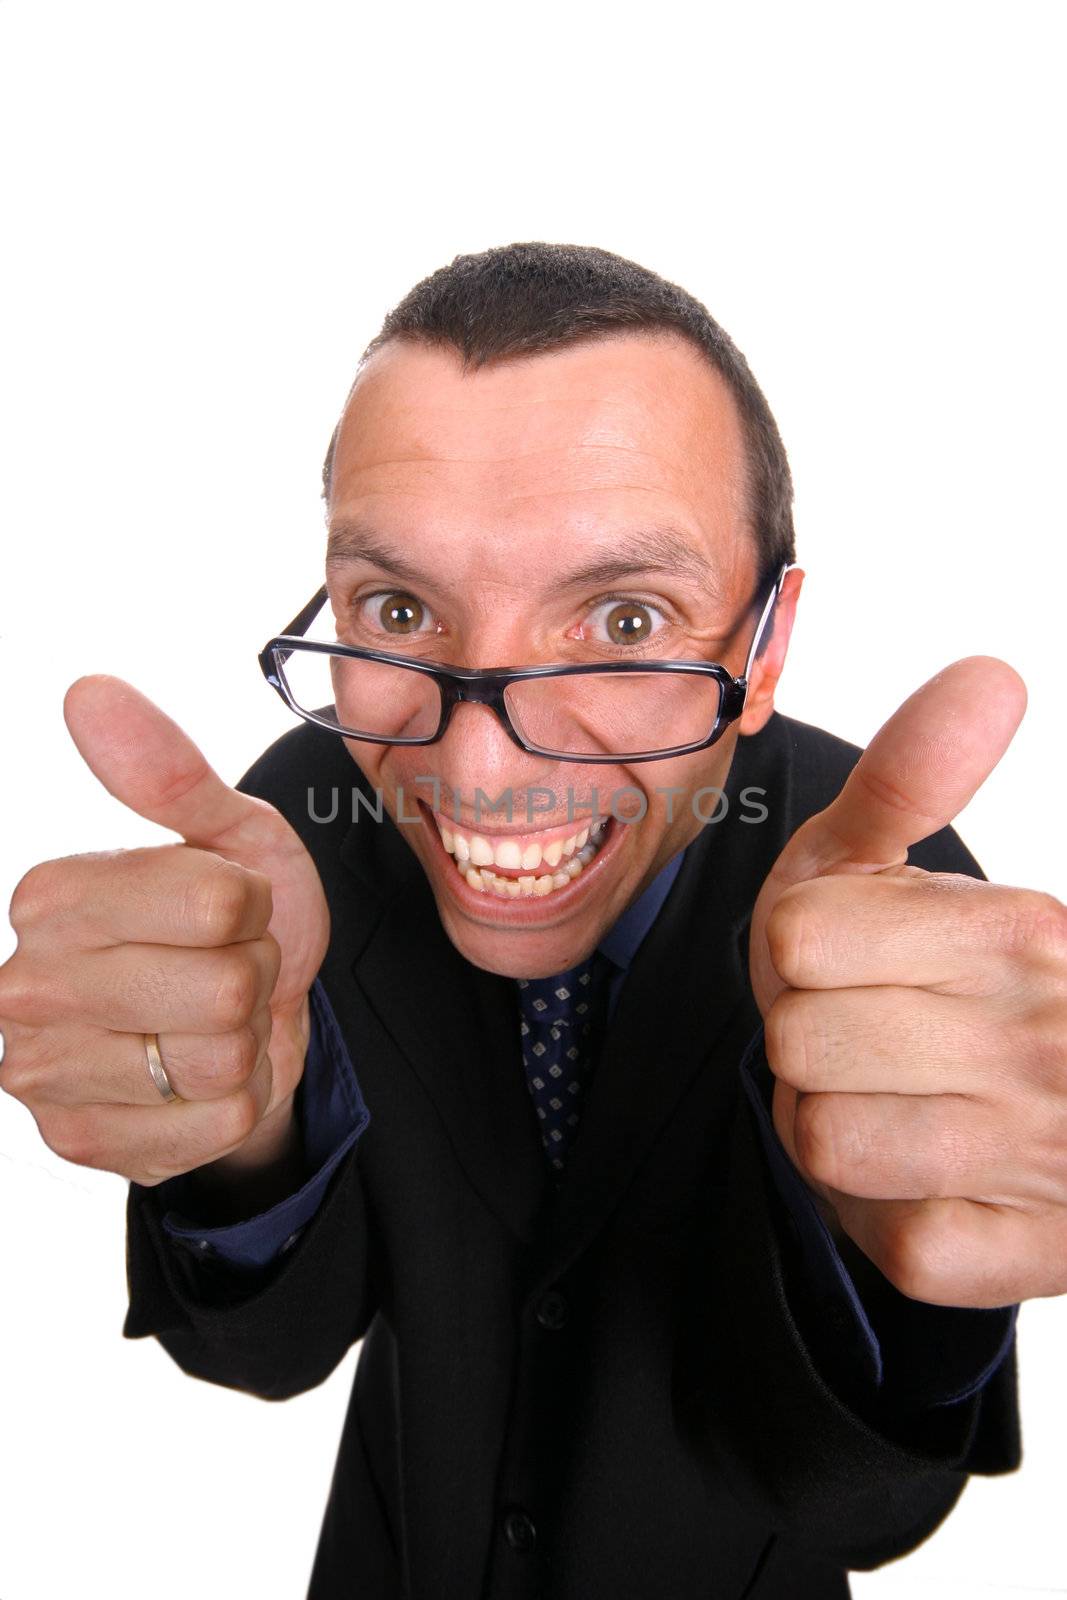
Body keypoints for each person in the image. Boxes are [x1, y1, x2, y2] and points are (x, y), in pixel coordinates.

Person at [1, 242, 1063, 1600]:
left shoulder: (899, 905)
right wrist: (241, 1135)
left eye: (624, 619)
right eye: (396, 609)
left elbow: (864, 1507)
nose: (483, 775)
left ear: (765, 643)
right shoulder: (288, 844)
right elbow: (266, 1356)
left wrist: (884, 1271)